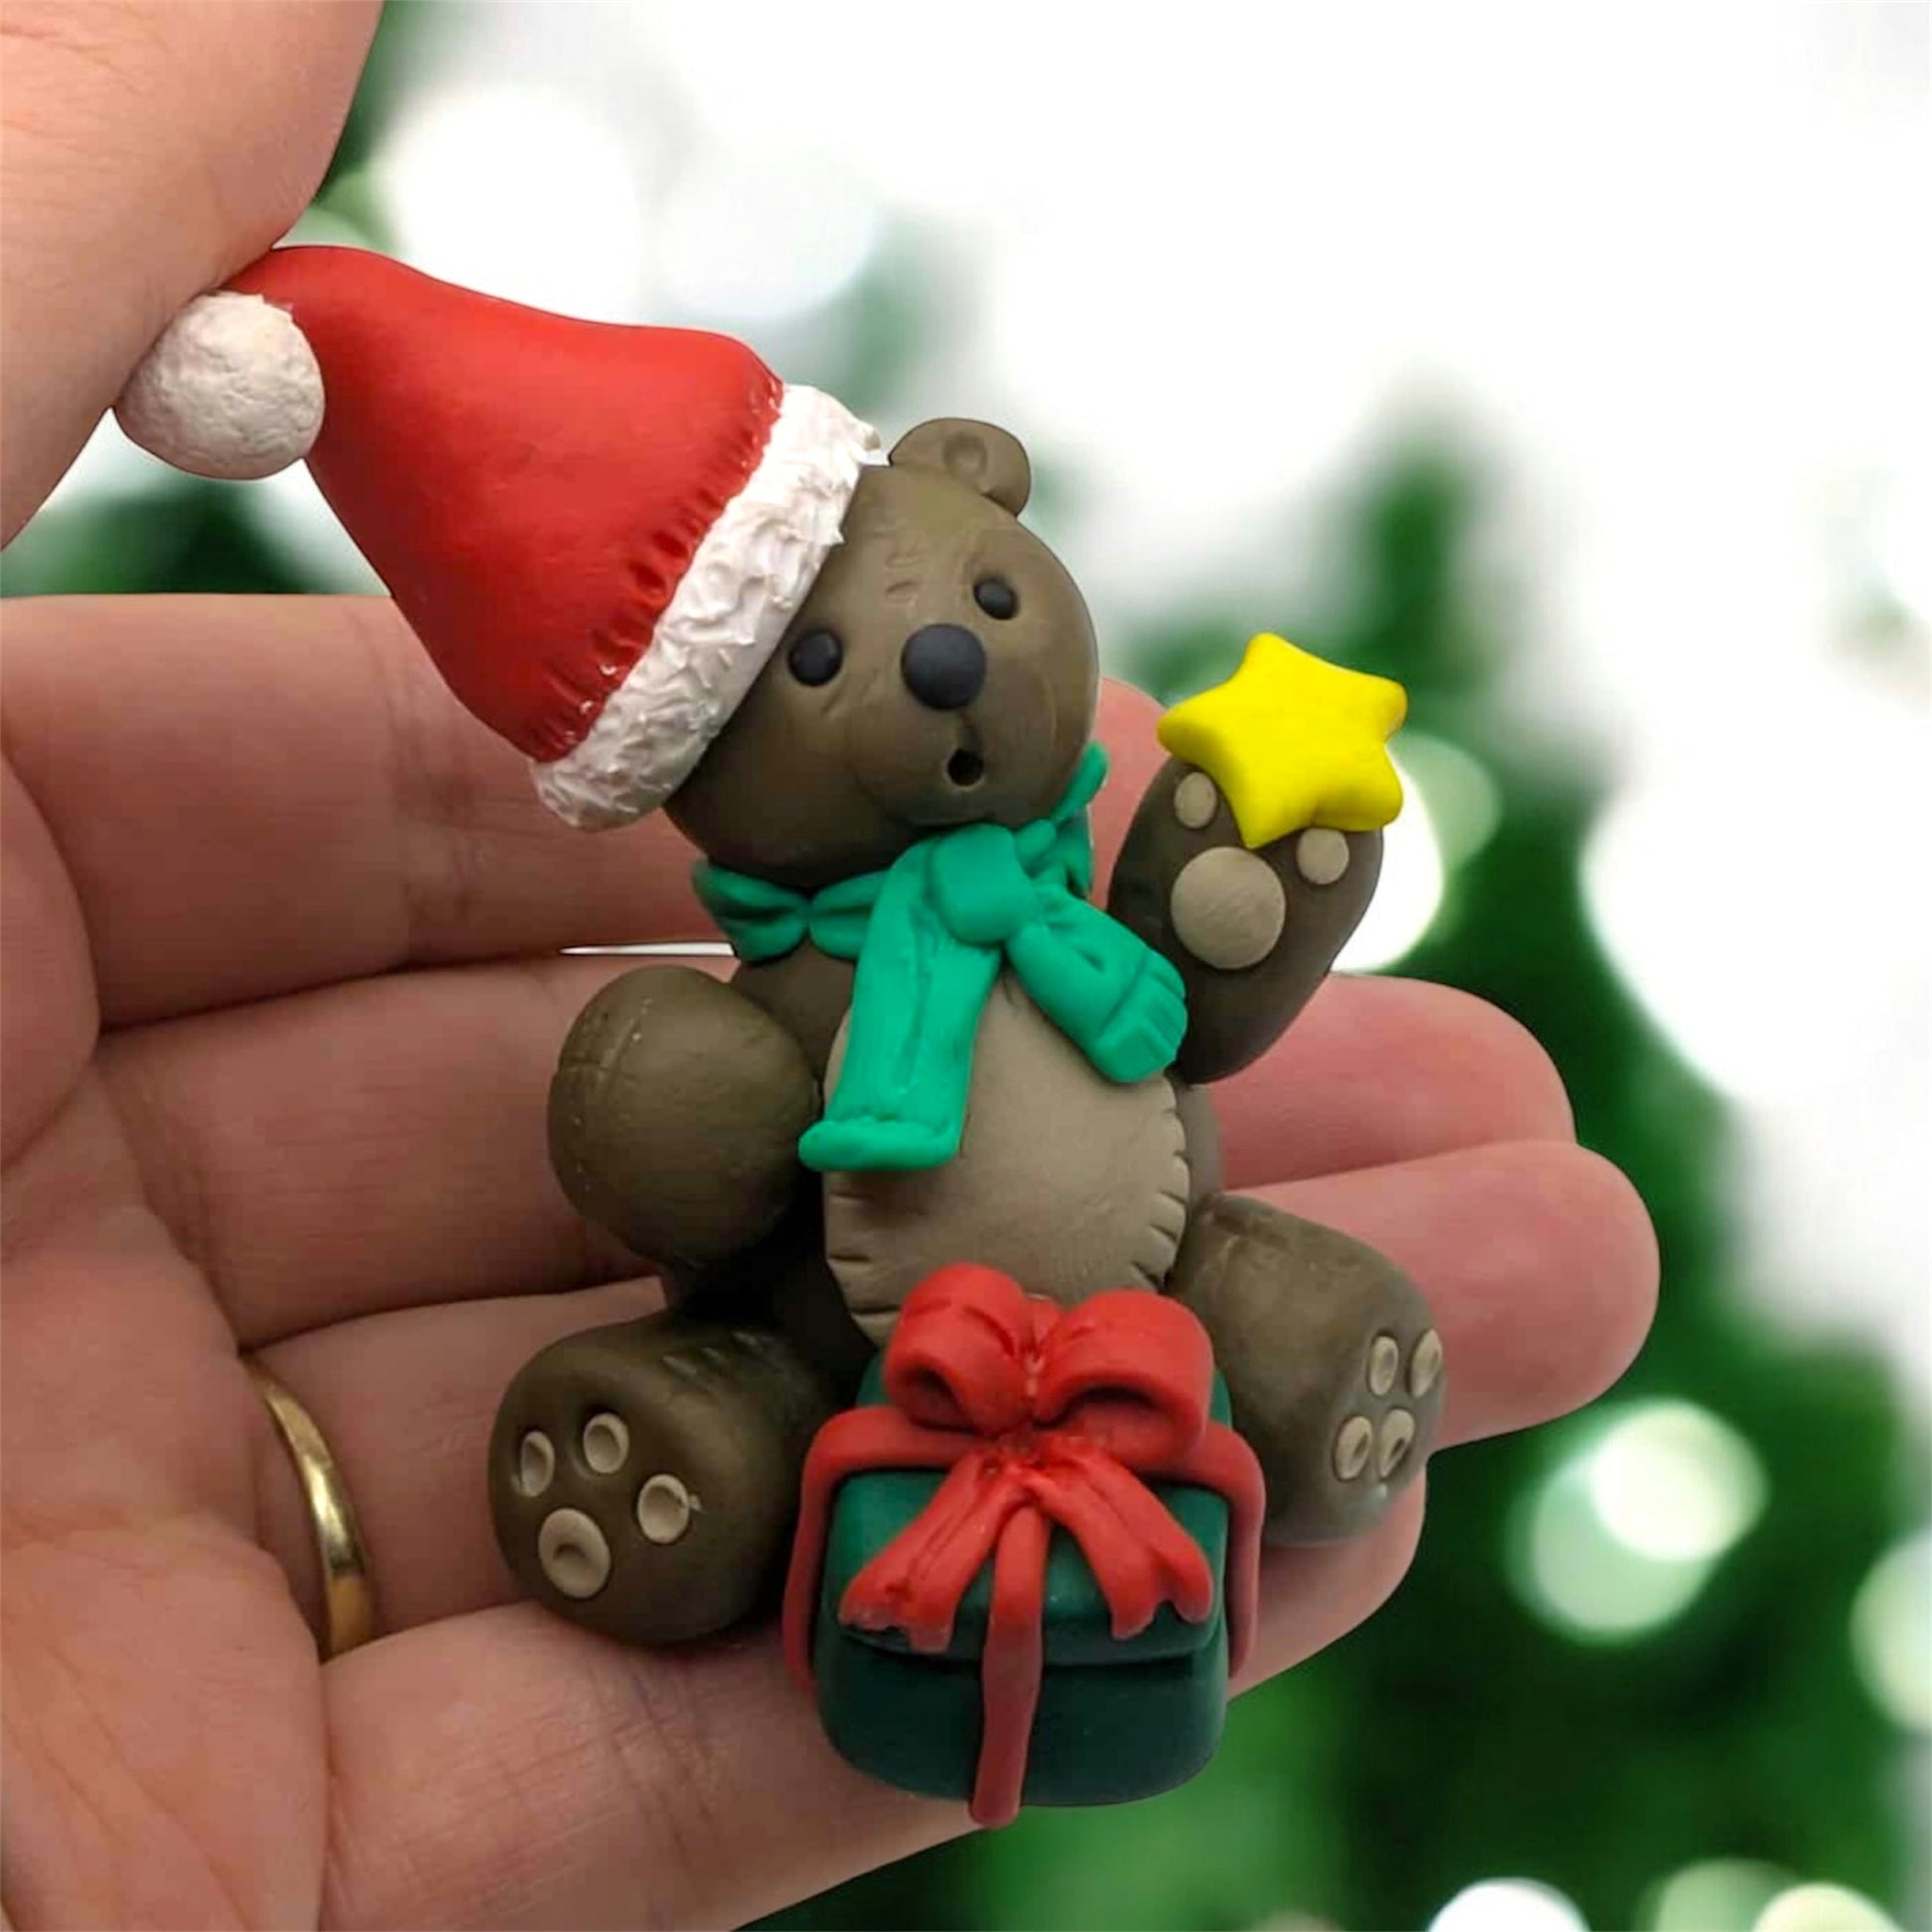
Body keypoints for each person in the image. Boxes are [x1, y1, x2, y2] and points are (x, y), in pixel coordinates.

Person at [0, 4, 1658, 1925]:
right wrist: (679, 1112)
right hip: (834, 1327)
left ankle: (1306, 1363)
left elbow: (1179, 1020)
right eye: (810, 667)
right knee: (758, 1338)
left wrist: (1243, 892)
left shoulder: (1068, 910)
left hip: (1156, 1272)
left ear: (978, 484)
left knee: (1253, 1291)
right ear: (698, 770)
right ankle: (683, 1452)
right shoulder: (799, 984)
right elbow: (713, 1163)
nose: (940, 659)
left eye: (974, 593)